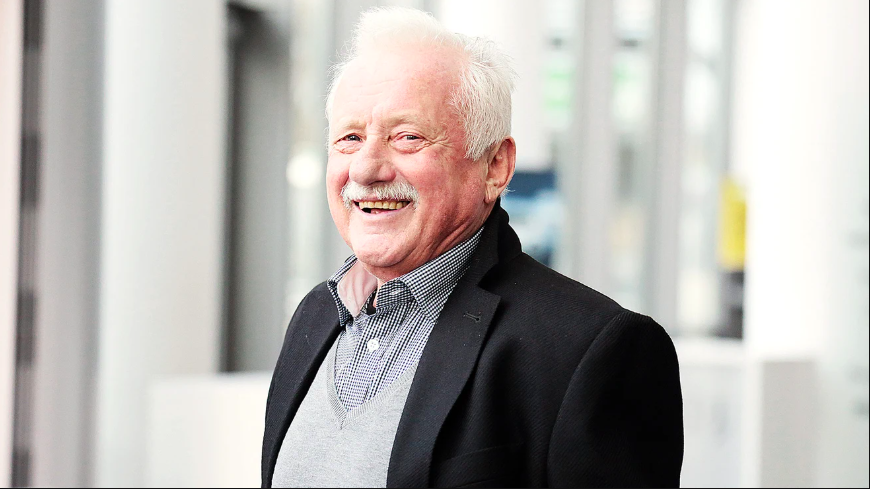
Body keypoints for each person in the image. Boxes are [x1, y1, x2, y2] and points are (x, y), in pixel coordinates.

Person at [262, 7, 683, 488]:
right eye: (350, 138)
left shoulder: (588, 350)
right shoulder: (316, 316)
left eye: (407, 137)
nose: (365, 168)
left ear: (494, 166)